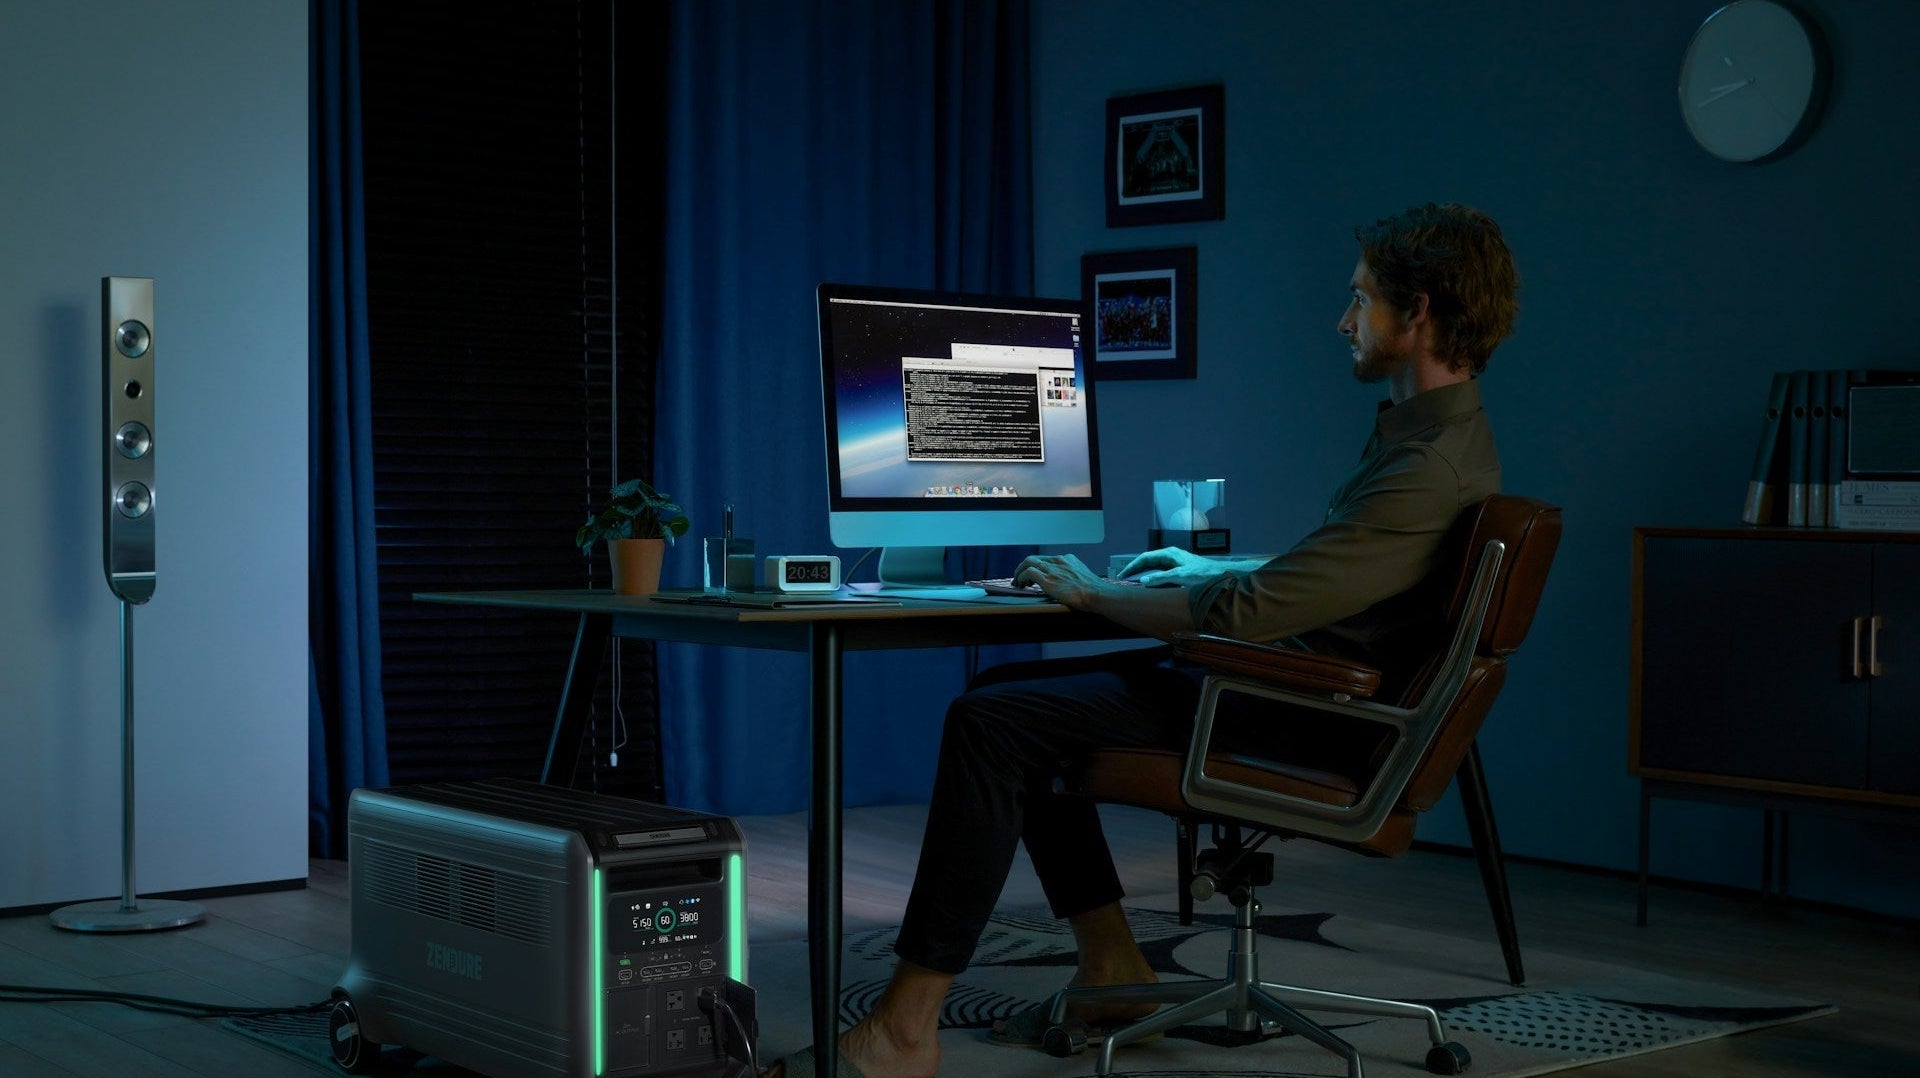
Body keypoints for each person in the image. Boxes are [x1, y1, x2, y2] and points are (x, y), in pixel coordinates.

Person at [764, 202, 1519, 1078]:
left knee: (993, 724)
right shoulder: (1436, 441)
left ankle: (905, 1026)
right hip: (1307, 691)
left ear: (1417, 311)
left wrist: (1095, 591)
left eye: (1360, 300)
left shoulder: (1425, 467)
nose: (1343, 320)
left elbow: (1248, 615)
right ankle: (1114, 966)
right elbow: (1350, 570)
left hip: (1294, 712)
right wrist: (1192, 571)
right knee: (1002, 692)